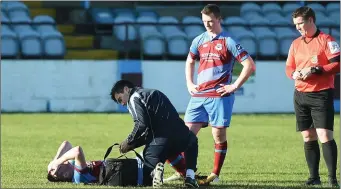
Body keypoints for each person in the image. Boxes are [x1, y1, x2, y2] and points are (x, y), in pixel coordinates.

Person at [166, 4, 256, 185]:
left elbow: (250, 65)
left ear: (219, 20)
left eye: (210, 21)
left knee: (218, 136)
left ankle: (215, 175)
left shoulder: (229, 41)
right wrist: (190, 83)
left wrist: (234, 86)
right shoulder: (199, 40)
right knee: (185, 136)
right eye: (204, 21)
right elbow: (190, 61)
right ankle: (184, 172)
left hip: (220, 96)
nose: (207, 24)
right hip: (199, 96)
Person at [285, 6, 340, 187]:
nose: (298, 27)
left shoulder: (327, 40)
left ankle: (332, 180)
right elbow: (288, 68)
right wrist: (294, 74)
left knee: (325, 135)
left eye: (301, 23)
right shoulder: (295, 44)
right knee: (308, 137)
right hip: (300, 95)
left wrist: (315, 69)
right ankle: (314, 178)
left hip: (321, 94)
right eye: (295, 25)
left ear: (311, 20)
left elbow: (337, 65)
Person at [110, 79, 200, 188]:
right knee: (192, 140)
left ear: (126, 89)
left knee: (144, 173)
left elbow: (141, 124)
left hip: (160, 143)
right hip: (182, 138)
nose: (123, 104)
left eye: (120, 99)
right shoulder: (155, 92)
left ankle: (155, 171)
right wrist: (134, 144)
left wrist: (128, 141)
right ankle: (190, 176)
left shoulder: (134, 97)